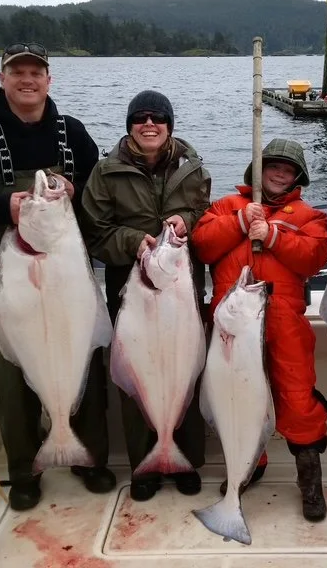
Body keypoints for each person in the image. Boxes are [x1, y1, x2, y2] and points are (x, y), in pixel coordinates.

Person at [0, 42, 116, 511]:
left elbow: (99, 196)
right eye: (18, 72)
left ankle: (88, 457)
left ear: (49, 80)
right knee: (13, 375)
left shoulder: (72, 132)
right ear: (3, 78)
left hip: (67, 273)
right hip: (12, 273)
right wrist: (4, 206)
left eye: (37, 71)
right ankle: (24, 472)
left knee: (85, 364)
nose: (28, 79)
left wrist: (75, 194)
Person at [79, 89, 211, 501]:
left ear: (170, 124)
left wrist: (186, 220)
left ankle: (184, 456)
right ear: (130, 126)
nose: (149, 124)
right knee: (137, 375)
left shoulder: (193, 167)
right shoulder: (105, 172)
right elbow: (95, 232)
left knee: (184, 370)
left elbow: (206, 212)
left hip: (181, 284)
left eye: (157, 117)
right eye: (140, 118)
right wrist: (136, 240)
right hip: (131, 284)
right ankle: (144, 465)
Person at [191, 138, 327, 522]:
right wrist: (239, 222)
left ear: (297, 176)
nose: (279, 172)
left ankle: (310, 480)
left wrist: (270, 235)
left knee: (297, 397)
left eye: (288, 168)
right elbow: (202, 246)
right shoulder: (225, 207)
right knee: (239, 399)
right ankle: (251, 465)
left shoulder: (310, 216)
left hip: (284, 325)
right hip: (232, 328)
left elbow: (314, 257)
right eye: (273, 165)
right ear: (258, 168)